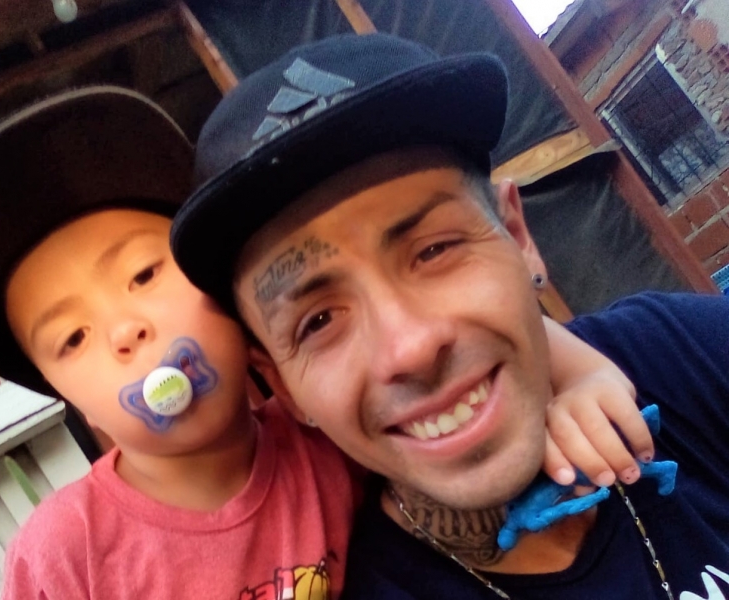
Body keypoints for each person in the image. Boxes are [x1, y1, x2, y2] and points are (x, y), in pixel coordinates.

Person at [0, 86, 647, 600]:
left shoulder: (321, 438)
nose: (123, 331)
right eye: (72, 338)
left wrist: (581, 378)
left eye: (144, 274)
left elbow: (489, 352)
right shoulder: (66, 550)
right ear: (74, 403)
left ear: (240, 307)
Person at [169, 33, 729, 599]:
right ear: (286, 387)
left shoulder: (677, 356)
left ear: (517, 236)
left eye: (435, 250)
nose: (410, 348)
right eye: (317, 321)